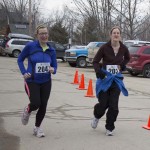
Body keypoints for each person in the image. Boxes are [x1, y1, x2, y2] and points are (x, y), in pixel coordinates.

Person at [17, 25, 57, 138]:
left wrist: (53, 69)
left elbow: (55, 66)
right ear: (37, 35)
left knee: (43, 105)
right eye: (41, 34)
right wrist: (24, 72)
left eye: (46, 33)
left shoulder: (51, 50)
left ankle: (37, 127)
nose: (44, 36)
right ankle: (28, 110)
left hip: (46, 81)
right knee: (35, 103)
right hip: (32, 81)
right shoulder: (30, 46)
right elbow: (20, 59)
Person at [91, 26, 130, 136]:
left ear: (120, 35)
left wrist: (122, 66)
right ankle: (96, 116)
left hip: (116, 80)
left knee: (114, 106)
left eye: (118, 33)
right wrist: (99, 71)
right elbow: (95, 61)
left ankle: (109, 127)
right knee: (103, 105)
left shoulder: (123, 48)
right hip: (105, 79)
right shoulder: (104, 47)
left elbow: (127, 58)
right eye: (114, 33)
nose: (116, 35)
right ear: (111, 35)